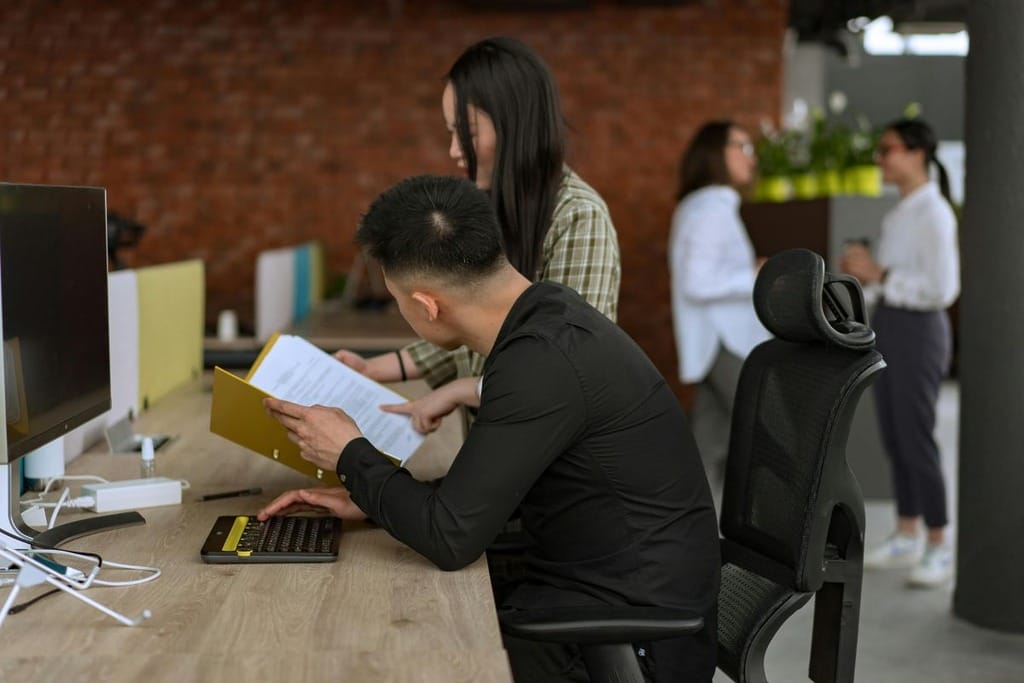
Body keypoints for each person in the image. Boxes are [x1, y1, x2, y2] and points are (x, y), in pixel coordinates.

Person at [260, 175, 720, 681]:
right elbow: (485, 492)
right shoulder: (547, 317)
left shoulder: (539, 362)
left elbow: (451, 538)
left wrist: (350, 453)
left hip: (627, 638)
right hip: (611, 595)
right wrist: (367, 497)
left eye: (399, 302)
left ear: (427, 304)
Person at [334, 36, 620, 434]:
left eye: (465, 132)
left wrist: (464, 390)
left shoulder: (578, 216)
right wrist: (373, 368)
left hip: (556, 460)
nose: (454, 149)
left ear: (514, 123)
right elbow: (468, 325)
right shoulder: (487, 206)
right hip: (502, 443)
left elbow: (570, 366)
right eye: (451, 132)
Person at [840, 117, 960, 589]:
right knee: (895, 435)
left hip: (919, 331)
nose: (880, 158)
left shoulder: (934, 213)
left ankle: (938, 541)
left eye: (887, 149)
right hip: (891, 326)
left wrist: (880, 276)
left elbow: (943, 289)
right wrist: (865, 278)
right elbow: (886, 282)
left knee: (916, 438)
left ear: (916, 153)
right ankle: (909, 532)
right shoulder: (901, 212)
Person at [668, 120, 770, 483]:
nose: (750, 158)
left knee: (707, 444)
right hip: (725, 342)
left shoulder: (707, 205)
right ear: (715, 153)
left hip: (716, 342)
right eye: (741, 147)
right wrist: (755, 276)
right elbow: (697, 281)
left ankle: (697, 533)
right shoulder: (709, 208)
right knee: (767, 433)